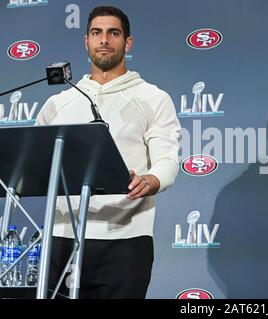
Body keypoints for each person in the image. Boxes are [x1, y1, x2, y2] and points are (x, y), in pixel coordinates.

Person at [35, 6, 181, 298]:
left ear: (128, 43)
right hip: (61, 238)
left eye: (113, 33)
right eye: (96, 33)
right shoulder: (57, 103)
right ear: (86, 41)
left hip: (125, 240)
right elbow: (36, 162)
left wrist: (151, 180)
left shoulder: (153, 97)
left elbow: (167, 159)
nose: (104, 40)